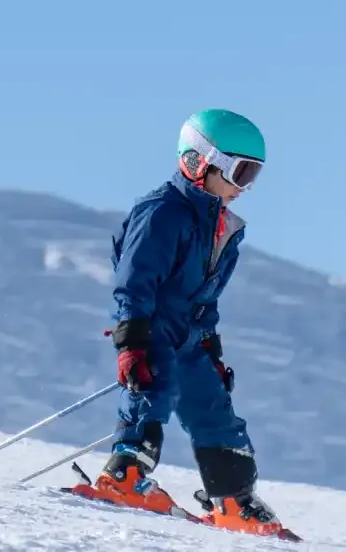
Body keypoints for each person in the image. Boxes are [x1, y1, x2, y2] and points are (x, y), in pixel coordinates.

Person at [72, 108, 290, 539]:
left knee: (216, 413)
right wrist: (131, 339)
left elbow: (205, 298)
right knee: (154, 389)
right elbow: (134, 280)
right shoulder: (162, 212)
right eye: (241, 172)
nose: (245, 186)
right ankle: (127, 472)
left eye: (254, 176)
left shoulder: (224, 227)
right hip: (153, 327)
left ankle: (235, 498)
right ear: (199, 161)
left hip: (192, 338)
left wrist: (210, 346)